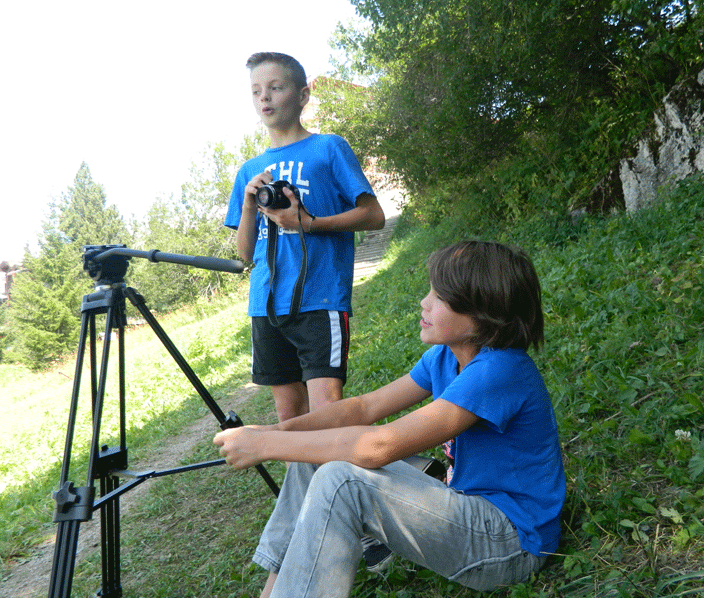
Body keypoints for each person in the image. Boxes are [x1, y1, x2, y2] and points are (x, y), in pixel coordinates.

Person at [214, 240, 567, 598]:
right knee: (312, 460)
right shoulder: (444, 358)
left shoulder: (500, 369)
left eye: (440, 297)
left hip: (510, 544)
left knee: (342, 480)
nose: (424, 302)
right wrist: (278, 430)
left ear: (484, 313)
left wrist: (267, 445)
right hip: (467, 511)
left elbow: (379, 446)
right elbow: (364, 407)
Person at [224, 52, 385, 423]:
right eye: (256, 91)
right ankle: (306, 484)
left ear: (302, 95)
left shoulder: (328, 147)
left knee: (326, 410)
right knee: (289, 413)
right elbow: (245, 256)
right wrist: (250, 205)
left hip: (319, 296)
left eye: (276, 87)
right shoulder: (249, 170)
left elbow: (374, 216)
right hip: (265, 303)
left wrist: (308, 223)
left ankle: (337, 481)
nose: (264, 98)